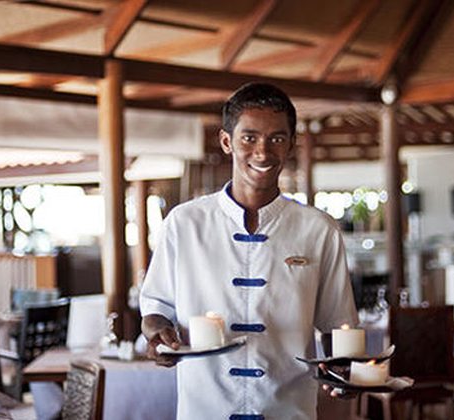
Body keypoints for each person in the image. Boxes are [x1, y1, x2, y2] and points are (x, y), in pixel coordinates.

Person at [140, 82, 358, 419]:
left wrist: (343, 372)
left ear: (291, 144)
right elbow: (155, 310)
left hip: (289, 411)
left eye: (277, 139)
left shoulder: (319, 229)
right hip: (206, 410)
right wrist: (158, 336)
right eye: (249, 138)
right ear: (227, 141)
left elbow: (337, 324)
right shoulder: (184, 224)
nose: (263, 152)